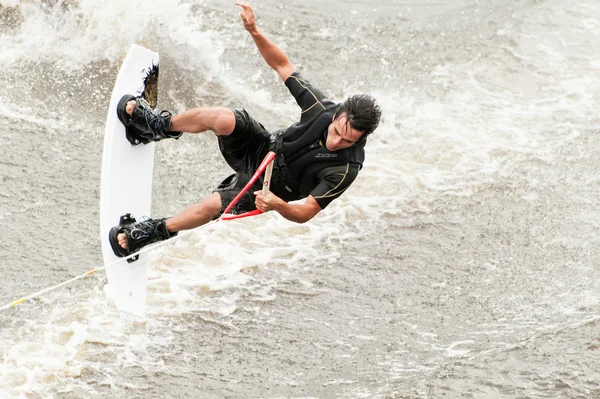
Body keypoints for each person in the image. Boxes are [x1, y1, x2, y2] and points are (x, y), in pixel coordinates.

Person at [109, 1, 382, 258]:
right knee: (223, 118)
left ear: (361, 139)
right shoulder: (321, 109)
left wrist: (277, 204)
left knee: (212, 206)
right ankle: (155, 127)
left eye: (347, 140)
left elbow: (307, 211)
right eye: (337, 130)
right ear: (338, 115)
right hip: (262, 148)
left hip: (267, 190)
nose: (336, 141)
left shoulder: (346, 168)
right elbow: (281, 64)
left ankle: (153, 232)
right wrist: (254, 31)